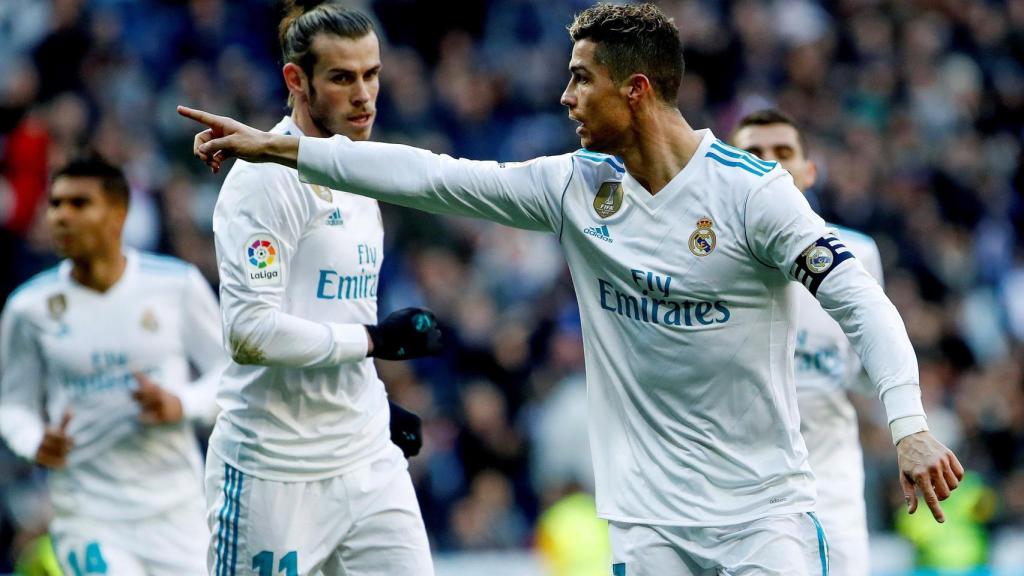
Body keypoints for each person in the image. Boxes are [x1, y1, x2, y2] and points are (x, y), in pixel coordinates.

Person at [179, 3, 964, 574]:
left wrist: (909, 423)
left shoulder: (752, 193)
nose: (564, 98)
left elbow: (859, 299)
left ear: (635, 92)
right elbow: (434, 176)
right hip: (646, 524)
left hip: (763, 518)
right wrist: (283, 152)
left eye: (580, 80)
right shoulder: (574, 187)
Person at [201, 2, 440, 575]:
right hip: (272, 471)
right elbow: (250, 333)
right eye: (342, 77)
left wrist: (374, 401)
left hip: (364, 455)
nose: (364, 95)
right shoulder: (262, 182)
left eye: (372, 74)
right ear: (296, 80)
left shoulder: (358, 169)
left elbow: (331, 304)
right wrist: (372, 342)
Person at [0, 153, 225, 575]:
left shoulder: (175, 284)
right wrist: (34, 441)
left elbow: (229, 373)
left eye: (79, 204)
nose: (61, 217)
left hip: (176, 511)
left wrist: (181, 403)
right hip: (88, 512)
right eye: (55, 204)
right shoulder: (28, 307)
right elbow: (12, 405)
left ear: (118, 214)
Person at [731, 108, 883, 576]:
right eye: (753, 153)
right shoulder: (707, 263)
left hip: (831, 488)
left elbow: (866, 364)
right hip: (741, 491)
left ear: (809, 170)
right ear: (725, 170)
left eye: (784, 152)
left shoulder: (856, 255)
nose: (771, 163)